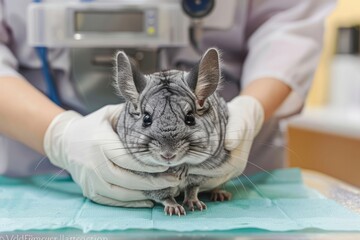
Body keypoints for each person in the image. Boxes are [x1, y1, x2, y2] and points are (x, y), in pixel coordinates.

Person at [0, 0, 336, 207]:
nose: (168, 151)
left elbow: (290, 25)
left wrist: (252, 108)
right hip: (35, 167)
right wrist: (58, 135)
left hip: (233, 177)